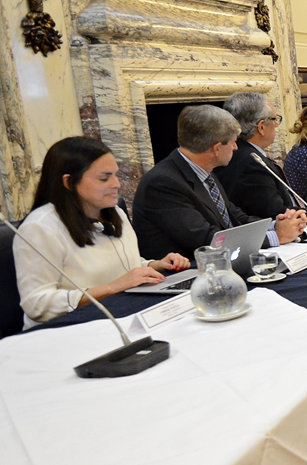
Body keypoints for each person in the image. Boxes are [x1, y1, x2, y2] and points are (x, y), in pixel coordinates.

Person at [14, 137, 190, 327]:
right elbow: (37, 304)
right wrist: (112, 288)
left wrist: (156, 265)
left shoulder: (115, 214)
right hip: (68, 329)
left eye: (116, 175)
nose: (117, 184)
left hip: (121, 316)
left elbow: (121, 266)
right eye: (104, 178)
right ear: (69, 182)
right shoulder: (39, 228)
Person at [132, 104, 306, 259]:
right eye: (233, 142)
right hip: (185, 275)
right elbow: (207, 239)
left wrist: (277, 224)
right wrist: (276, 237)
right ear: (216, 148)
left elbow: (237, 217)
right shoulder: (163, 183)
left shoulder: (205, 172)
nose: (236, 148)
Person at [215, 91, 307, 221]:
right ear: (261, 127)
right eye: (275, 119)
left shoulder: (238, 153)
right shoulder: (252, 162)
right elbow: (279, 213)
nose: (277, 124)